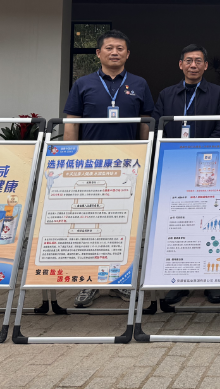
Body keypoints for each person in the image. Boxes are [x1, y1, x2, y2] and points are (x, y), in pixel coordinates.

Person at [63, 29, 154, 309]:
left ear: (128, 54)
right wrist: (69, 160)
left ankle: (120, 280)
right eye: (109, 48)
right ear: (98, 53)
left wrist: (145, 154)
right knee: (89, 225)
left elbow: (145, 123)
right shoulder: (83, 84)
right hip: (91, 166)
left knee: (124, 224)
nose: (115, 52)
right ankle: (89, 281)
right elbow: (71, 123)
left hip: (128, 166)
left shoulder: (139, 84)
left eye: (120, 48)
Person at [152, 44, 220, 307]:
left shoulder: (218, 93)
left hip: (207, 169)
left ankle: (211, 281)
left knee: (209, 223)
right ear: (180, 64)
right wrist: (175, 153)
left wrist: (202, 152)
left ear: (206, 65)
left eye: (198, 61)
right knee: (181, 226)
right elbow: (158, 127)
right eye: (188, 60)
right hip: (175, 168)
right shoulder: (166, 94)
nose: (193, 65)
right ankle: (179, 282)